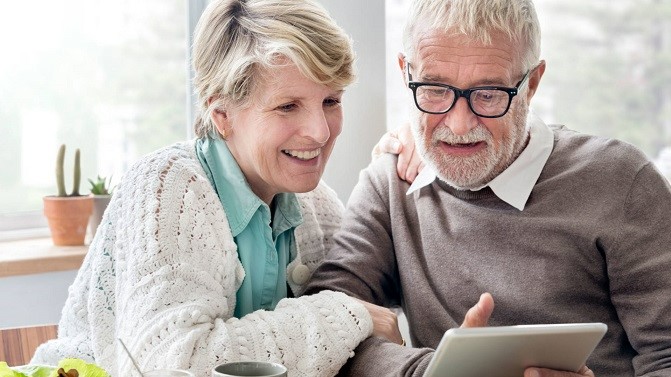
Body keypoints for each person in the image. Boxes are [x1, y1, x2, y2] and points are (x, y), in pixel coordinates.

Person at [30, 0, 423, 375]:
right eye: (288, 106)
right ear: (222, 115)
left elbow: (372, 295)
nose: (321, 131)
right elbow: (170, 364)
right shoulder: (167, 187)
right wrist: (342, 315)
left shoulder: (314, 204)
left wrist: (416, 154)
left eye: (331, 100)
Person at [305, 0, 671, 376]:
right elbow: (323, 329)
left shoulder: (622, 181)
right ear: (405, 73)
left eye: (489, 94)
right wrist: (435, 371)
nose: (459, 125)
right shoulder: (390, 186)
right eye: (434, 89)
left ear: (531, 84)